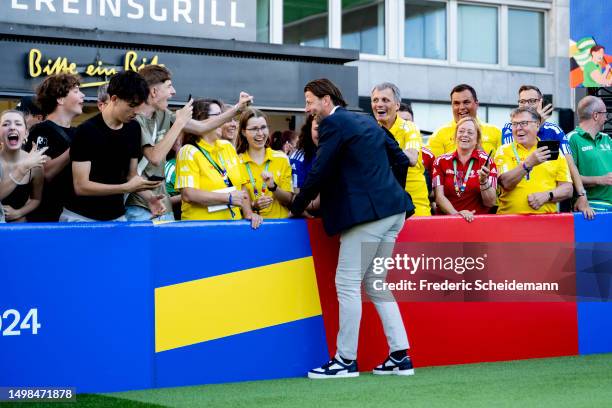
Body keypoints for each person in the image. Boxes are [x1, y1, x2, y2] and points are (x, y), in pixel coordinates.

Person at [291, 78, 415, 379]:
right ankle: (400, 356)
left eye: (310, 101)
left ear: (326, 100)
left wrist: (296, 207)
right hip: (394, 211)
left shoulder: (333, 124)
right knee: (376, 283)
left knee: (348, 286)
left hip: (369, 217)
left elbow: (320, 170)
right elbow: (399, 159)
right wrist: (390, 194)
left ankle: (345, 360)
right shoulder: (365, 119)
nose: (307, 109)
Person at [126, 65, 252, 221]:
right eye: (169, 86)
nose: (174, 92)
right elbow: (155, 157)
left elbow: (202, 127)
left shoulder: (164, 113)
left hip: (163, 205)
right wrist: (179, 122)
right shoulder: (134, 120)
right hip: (140, 205)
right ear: (153, 92)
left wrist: (237, 109)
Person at [61, 71, 161, 222]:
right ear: (114, 99)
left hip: (117, 217)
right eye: (132, 105)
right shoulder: (86, 130)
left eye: (139, 106)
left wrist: (150, 198)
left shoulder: (134, 128)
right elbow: (81, 186)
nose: (136, 112)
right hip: (81, 218)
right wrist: (125, 188)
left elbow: (131, 176)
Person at [501, 85, 593, 218]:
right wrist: (536, 123)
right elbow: (511, 155)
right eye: (522, 101)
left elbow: (570, 164)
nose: (526, 105)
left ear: (541, 102)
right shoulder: (511, 128)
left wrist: (582, 195)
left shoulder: (554, 130)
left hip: (546, 207)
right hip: (512, 208)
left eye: (532, 101)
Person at [174, 99, 263, 228]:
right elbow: (188, 194)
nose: (224, 121)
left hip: (233, 225)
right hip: (202, 228)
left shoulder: (227, 146)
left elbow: (242, 187)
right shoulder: (188, 151)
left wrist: (248, 213)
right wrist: (228, 198)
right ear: (201, 120)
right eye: (218, 116)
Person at [25, 73, 84, 222]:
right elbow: (45, 173)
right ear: (60, 99)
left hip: (75, 213)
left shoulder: (78, 132)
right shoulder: (41, 130)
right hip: (47, 215)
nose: (83, 95)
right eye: (76, 91)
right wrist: (74, 149)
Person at [495, 107, 572, 214]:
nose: (518, 128)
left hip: (545, 222)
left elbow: (568, 189)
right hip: (509, 221)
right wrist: (528, 163)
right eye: (514, 124)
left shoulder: (553, 150)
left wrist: (548, 195)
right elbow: (505, 183)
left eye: (523, 123)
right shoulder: (504, 150)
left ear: (537, 125)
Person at [371, 82, 432, 216]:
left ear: (397, 105)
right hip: (384, 206)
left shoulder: (409, 128)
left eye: (385, 100)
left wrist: (386, 148)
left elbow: (411, 158)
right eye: (375, 100)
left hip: (414, 207)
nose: (379, 104)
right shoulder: (370, 129)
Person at [432, 117, 497, 222]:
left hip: (478, 223)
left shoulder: (486, 161)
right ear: (455, 136)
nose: (465, 135)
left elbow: (490, 202)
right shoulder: (440, 161)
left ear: (477, 140)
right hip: (447, 223)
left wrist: (483, 181)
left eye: (470, 132)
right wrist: (458, 215)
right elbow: (439, 197)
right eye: (461, 131)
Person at [236, 108, 293, 218]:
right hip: (251, 228)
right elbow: (233, 204)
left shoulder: (281, 158)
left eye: (263, 127)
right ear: (243, 132)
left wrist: (273, 187)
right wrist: (253, 205)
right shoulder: (236, 162)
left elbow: (289, 200)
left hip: (280, 226)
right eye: (254, 129)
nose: (260, 133)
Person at [427, 84, 501, 158]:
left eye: (466, 102)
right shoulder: (439, 135)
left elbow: (502, 166)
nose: (461, 107)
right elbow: (432, 166)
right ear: (452, 106)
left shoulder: (496, 132)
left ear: (476, 104)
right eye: (456, 103)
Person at [0, 110, 47, 222]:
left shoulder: (35, 165)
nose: (12, 127)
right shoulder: (29, 163)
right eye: (6, 124)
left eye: (18, 123)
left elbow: (35, 199)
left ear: (26, 133)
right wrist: (23, 167)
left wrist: (18, 213)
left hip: (19, 228)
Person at [567, 96, 612, 212]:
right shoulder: (572, 139)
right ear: (596, 115)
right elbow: (567, 178)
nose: (606, 118)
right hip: (591, 207)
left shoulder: (607, 139)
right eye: (605, 114)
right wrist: (599, 179)